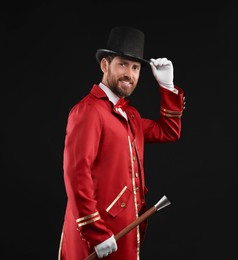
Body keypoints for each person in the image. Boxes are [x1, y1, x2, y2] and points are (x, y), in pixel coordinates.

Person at [58, 26, 185, 260]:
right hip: (96, 235)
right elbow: (77, 174)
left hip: (124, 232)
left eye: (136, 68)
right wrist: (94, 232)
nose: (130, 73)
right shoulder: (88, 111)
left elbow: (168, 132)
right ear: (105, 65)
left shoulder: (132, 116)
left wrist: (167, 87)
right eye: (123, 65)